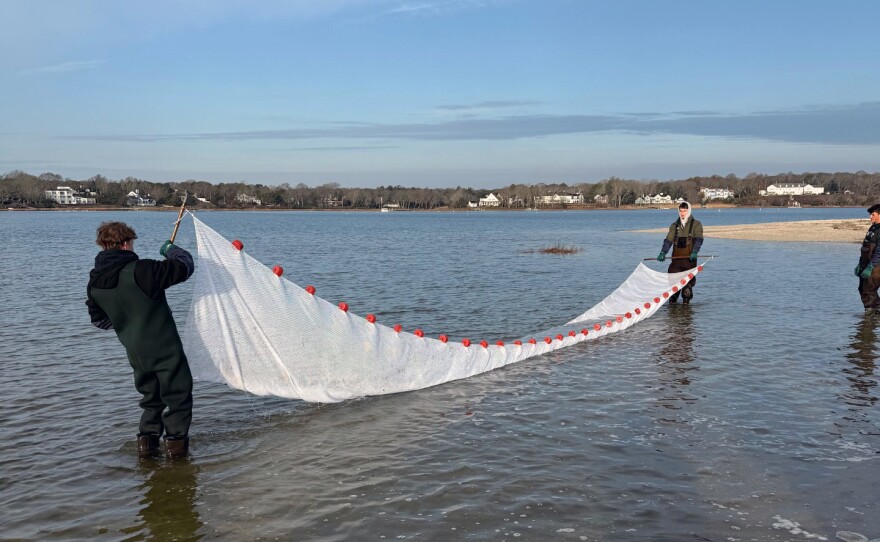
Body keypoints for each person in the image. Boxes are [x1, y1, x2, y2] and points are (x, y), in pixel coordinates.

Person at [86, 221, 195, 459]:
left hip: (136, 354)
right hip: (166, 350)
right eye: (132, 242)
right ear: (125, 243)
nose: (133, 246)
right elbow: (186, 266)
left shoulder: (95, 282)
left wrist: (128, 324)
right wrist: (170, 250)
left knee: (151, 401)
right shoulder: (143, 270)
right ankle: (177, 459)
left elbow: (99, 321)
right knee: (178, 399)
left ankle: (147, 454)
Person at [657, 201, 704, 304]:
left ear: (689, 210)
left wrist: (695, 251)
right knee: (673, 293)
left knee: (686, 291)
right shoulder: (674, 225)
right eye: (681, 211)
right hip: (675, 263)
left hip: (689, 261)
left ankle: (686, 315)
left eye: (685, 211)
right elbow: (668, 240)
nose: (682, 213)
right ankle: (673, 313)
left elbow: (699, 240)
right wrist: (663, 252)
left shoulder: (696, 224)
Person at [855, 204, 880, 312]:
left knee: (869, 289)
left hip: (876, 265)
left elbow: (879, 251)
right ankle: (875, 314)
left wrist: (871, 266)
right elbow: (865, 247)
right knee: (862, 288)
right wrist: (860, 263)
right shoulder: (873, 227)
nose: (870, 217)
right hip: (866, 262)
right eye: (870, 214)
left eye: (873, 214)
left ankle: (870, 319)